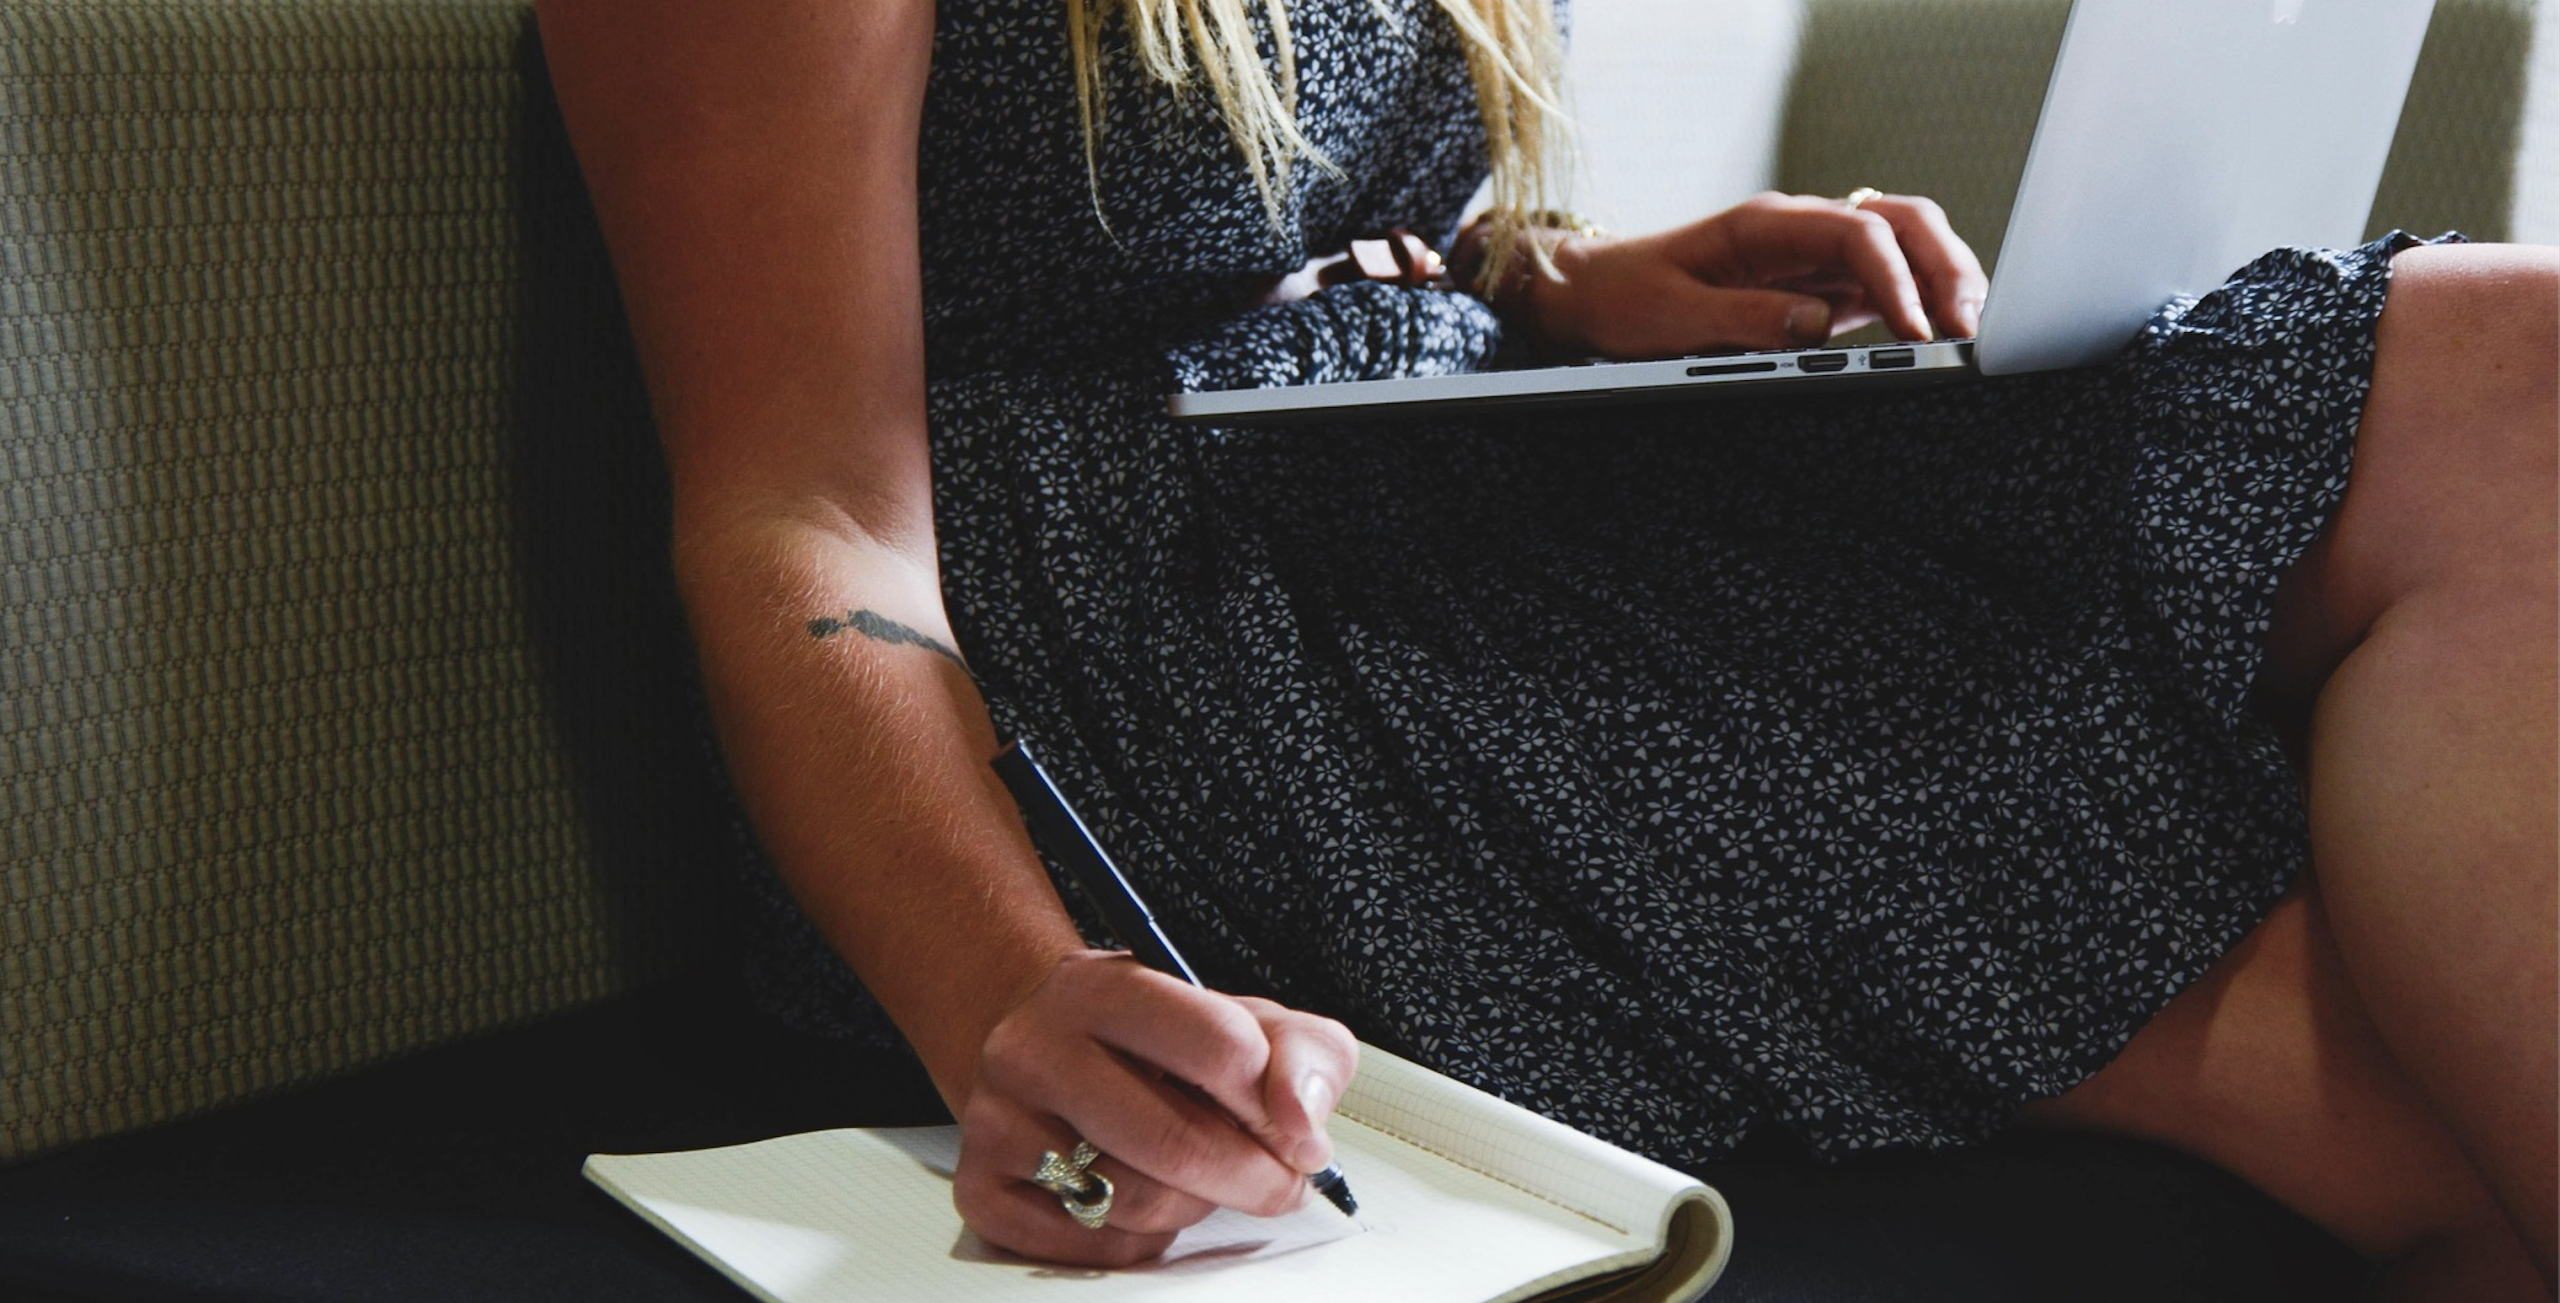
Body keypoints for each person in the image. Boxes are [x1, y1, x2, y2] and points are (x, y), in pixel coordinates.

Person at [531, 0, 2556, 1294]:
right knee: (2404, 1105)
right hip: (1122, 680)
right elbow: (796, 509)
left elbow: (1241, 218)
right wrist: (1004, 995)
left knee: (2515, 367)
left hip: (1401, 505)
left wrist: (1560, 291)